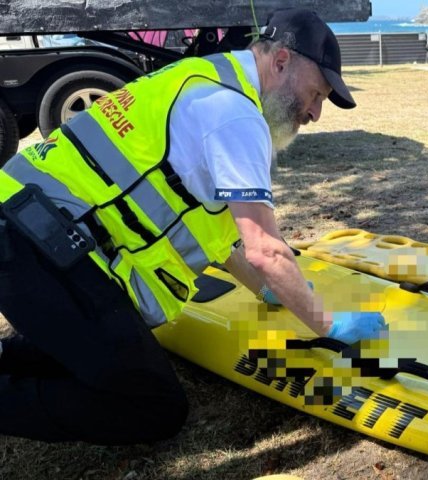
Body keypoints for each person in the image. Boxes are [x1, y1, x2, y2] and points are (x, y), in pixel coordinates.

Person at [0, 8, 385, 445]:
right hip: (37, 245)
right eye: (316, 94)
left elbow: (219, 235)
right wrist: (328, 324)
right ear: (281, 62)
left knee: (103, 352)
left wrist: (266, 290)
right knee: (152, 405)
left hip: (28, 225)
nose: (315, 113)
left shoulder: (202, 77)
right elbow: (263, 247)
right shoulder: (235, 115)